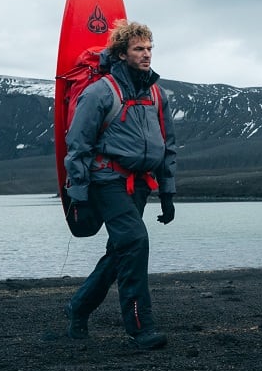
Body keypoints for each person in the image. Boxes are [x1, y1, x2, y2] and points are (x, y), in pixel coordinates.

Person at [62, 20, 177, 348]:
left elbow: (168, 145)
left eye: (149, 48)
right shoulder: (99, 92)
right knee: (136, 242)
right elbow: (78, 145)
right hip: (106, 181)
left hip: (141, 184)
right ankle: (140, 327)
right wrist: (79, 195)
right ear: (122, 53)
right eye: (139, 49)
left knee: (120, 252)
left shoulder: (157, 94)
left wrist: (167, 193)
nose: (146, 55)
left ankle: (78, 307)